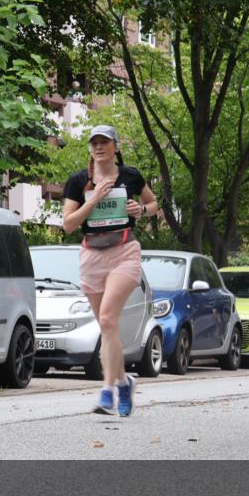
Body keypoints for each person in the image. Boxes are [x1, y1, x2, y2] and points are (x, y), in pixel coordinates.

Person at [61, 125, 158, 417]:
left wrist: (141, 210)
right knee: (107, 327)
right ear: (90, 149)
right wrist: (93, 199)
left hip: (125, 252)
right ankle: (124, 383)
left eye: (105, 142)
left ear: (115, 147)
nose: (99, 147)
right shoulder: (79, 181)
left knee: (106, 317)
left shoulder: (130, 176)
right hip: (92, 256)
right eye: (95, 143)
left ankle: (107, 392)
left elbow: (153, 204)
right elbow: (68, 224)